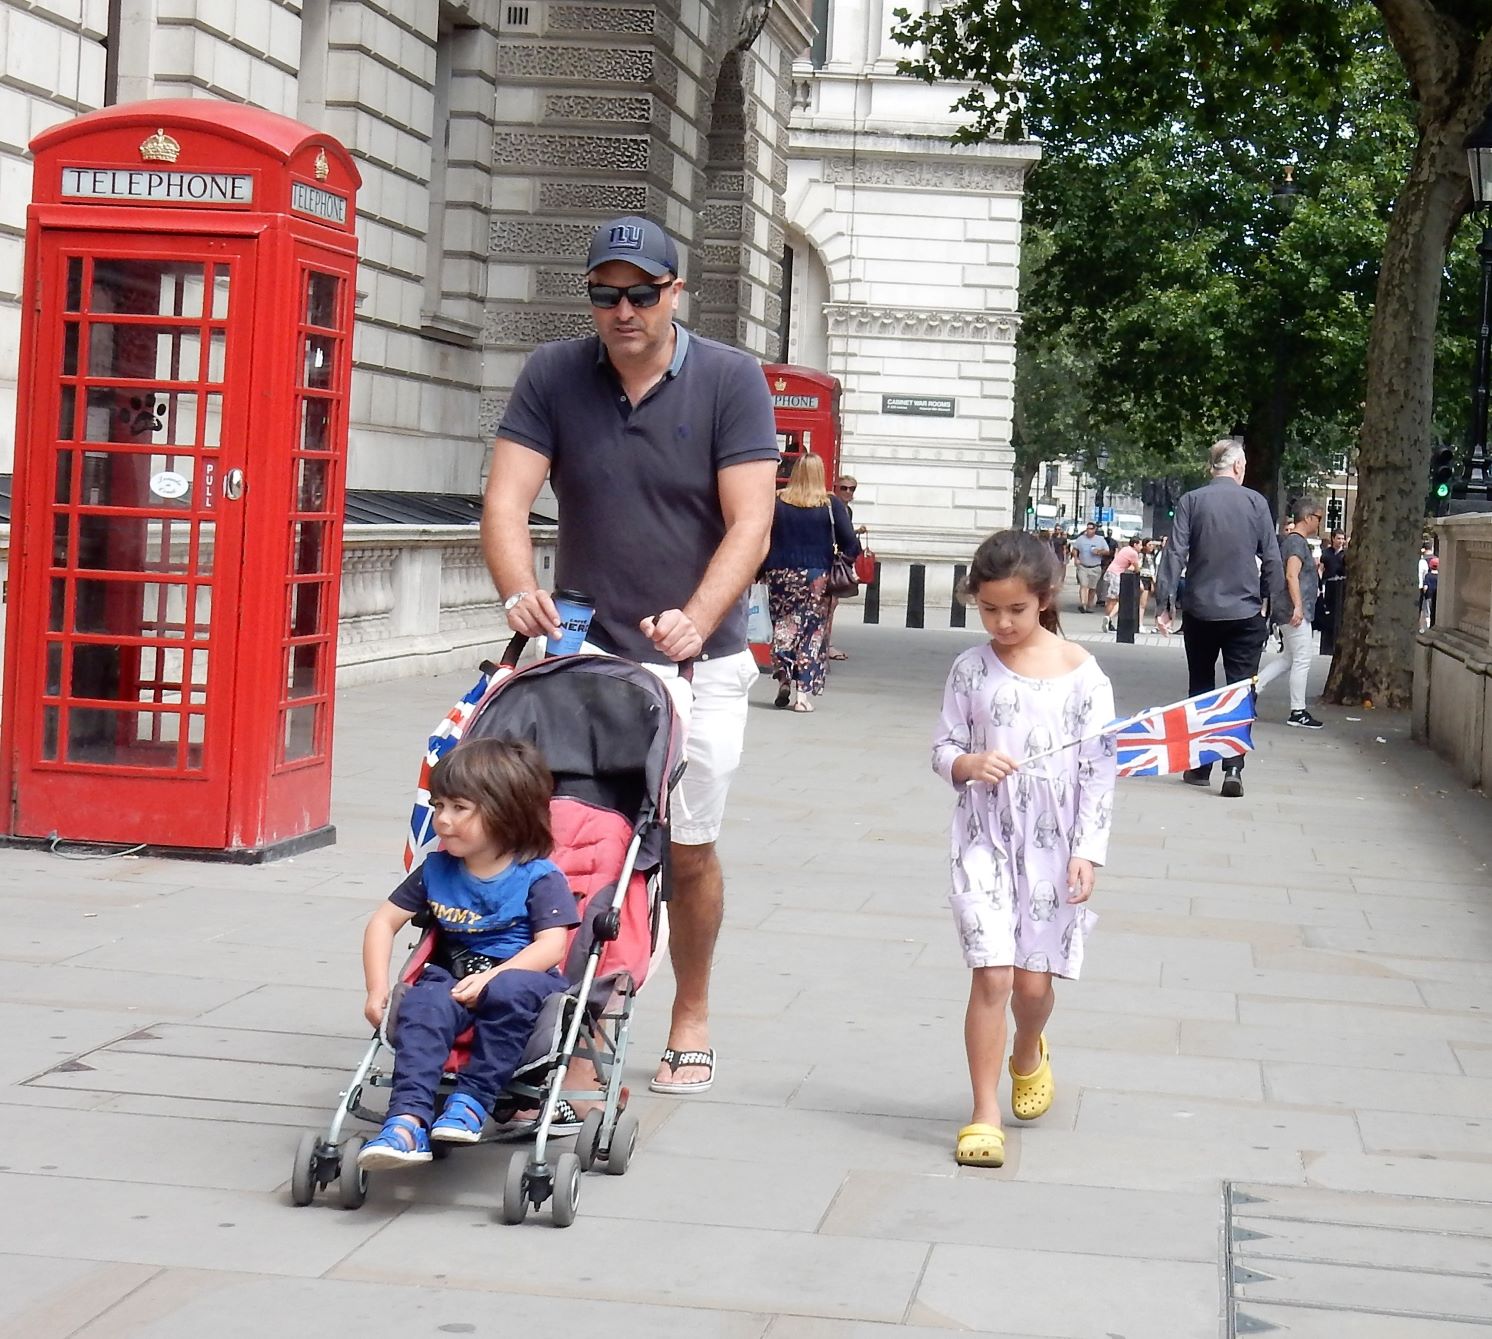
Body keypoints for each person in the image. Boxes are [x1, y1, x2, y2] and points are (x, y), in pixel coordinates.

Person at [482, 214, 779, 1096]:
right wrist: (518, 591)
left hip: (698, 663)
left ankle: (692, 1010)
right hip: (583, 656)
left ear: (674, 293)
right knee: (580, 843)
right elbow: (506, 501)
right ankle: (581, 1021)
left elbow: (752, 522)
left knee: (687, 847)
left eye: (642, 293)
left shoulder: (729, 379)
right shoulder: (554, 374)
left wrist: (696, 616)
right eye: (605, 294)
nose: (624, 311)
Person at [931, 531, 1117, 1169]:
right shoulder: (970, 669)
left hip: (1053, 845)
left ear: (1045, 597)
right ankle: (984, 1113)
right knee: (993, 973)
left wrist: (1086, 852)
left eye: (1016, 609)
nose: (1002, 623)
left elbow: (1098, 771)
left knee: (1032, 986)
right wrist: (967, 764)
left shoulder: (1085, 675)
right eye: (989, 609)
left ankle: (1029, 1046)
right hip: (982, 838)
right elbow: (943, 747)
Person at [357, 739, 579, 1170]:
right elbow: (383, 922)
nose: (442, 819)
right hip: (454, 976)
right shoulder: (436, 870)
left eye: (459, 808)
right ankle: (407, 1119)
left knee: (510, 990)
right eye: (438, 805)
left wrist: (493, 978)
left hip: (521, 979)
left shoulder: (538, 876)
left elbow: (551, 945)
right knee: (423, 1001)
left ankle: (473, 1100)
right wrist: (376, 988)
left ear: (506, 811)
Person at [1154, 439, 1286, 799]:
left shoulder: (1191, 501)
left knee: (1200, 687)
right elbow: (1271, 557)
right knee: (1240, 689)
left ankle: (1200, 765)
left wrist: (1166, 602)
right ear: (1239, 467)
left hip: (1201, 610)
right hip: (1245, 611)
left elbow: (1175, 552)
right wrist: (1272, 604)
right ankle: (1234, 767)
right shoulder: (1256, 502)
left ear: (1211, 467)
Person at [763, 454, 861, 711]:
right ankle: (802, 696)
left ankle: (784, 677)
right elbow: (851, 543)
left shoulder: (777, 500)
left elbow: (761, 535)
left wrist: (760, 570)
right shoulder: (830, 504)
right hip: (817, 576)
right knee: (812, 633)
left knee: (784, 627)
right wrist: (842, 561)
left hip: (781, 575)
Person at [1277, 498, 1325, 729]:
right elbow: (1291, 575)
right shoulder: (1296, 543)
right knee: (1302, 659)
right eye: (1318, 518)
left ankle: (1253, 689)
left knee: (1288, 658)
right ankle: (1297, 710)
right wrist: (1298, 606)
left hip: (1290, 609)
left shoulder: (1293, 541)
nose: (1319, 523)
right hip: (1295, 610)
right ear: (1307, 517)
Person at [826, 474, 867, 661]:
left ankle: (824, 642)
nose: (848, 492)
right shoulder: (829, 506)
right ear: (836, 488)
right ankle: (826, 644)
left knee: (832, 603)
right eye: (844, 488)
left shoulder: (847, 510)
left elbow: (844, 533)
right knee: (830, 602)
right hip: (828, 559)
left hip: (839, 560)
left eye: (852, 489)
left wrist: (856, 532)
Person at [1100, 534, 1141, 632]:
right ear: (1135, 544)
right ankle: (1109, 617)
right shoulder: (1133, 553)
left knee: (1111, 599)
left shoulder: (1125, 549)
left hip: (1110, 572)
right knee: (1121, 599)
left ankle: (1108, 621)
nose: (1141, 547)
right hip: (1117, 574)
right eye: (1140, 545)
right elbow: (1137, 568)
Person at [1069, 522, 1110, 612]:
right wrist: (1076, 558)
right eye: (1088, 528)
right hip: (1083, 566)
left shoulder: (1100, 539)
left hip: (1095, 567)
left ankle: (1089, 605)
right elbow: (1075, 549)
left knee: (1092, 588)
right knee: (1083, 585)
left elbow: (1107, 551)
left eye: (1091, 529)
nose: (1089, 530)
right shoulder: (1081, 539)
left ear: (1095, 530)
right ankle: (1083, 604)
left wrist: (1099, 551)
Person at [1137, 539, 1158, 629]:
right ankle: (1139, 623)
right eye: (1149, 545)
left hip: (1150, 578)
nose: (1152, 547)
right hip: (1144, 577)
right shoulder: (1142, 555)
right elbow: (1138, 568)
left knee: (1145, 603)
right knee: (1142, 603)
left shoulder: (1153, 556)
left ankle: (1140, 622)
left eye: (1152, 545)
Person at [1420, 555, 1439, 632]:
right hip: (1437, 595)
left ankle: (1428, 624)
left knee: (1428, 610)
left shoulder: (1428, 576)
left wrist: (1424, 594)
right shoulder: (1440, 576)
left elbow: (1425, 587)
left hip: (1429, 596)